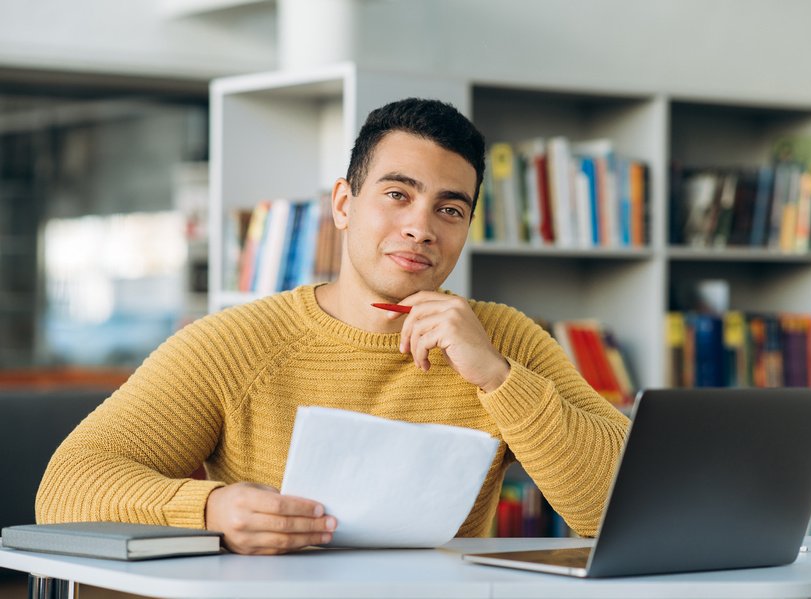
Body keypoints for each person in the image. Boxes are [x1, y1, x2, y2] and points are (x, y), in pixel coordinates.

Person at [36, 98, 631, 555]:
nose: (421, 227)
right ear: (344, 205)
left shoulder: (503, 339)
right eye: (398, 194)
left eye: (450, 209)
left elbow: (621, 510)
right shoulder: (235, 344)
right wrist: (211, 509)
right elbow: (65, 489)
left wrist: (498, 378)